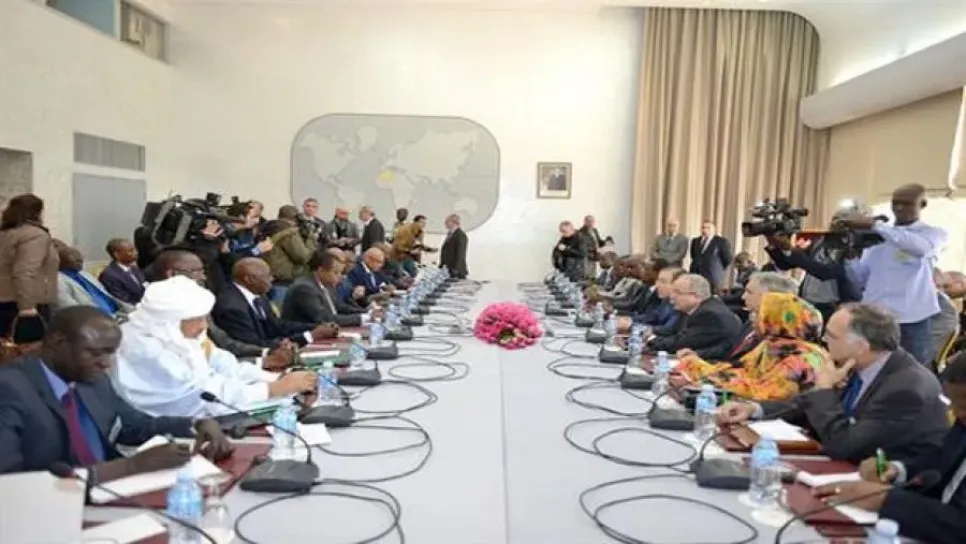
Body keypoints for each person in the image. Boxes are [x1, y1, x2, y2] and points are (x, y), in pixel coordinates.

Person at [0, 306, 233, 478]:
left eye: (111, 352)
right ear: (58, 343)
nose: (106, 363)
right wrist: (129, 466)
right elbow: (10, 484)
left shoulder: (90, 377)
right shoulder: (9, 388)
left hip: (115, 492)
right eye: (95, 353)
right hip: (52, 509)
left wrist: (195, 424)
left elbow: (132, 425)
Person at [717, 303, 949, 463]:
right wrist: (753, 409)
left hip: (883, 481)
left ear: (861, 346)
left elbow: (844, 446)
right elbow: (805, 405)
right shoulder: (862, 363)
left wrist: (825, 390)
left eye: (832, 336)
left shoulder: (904, 388)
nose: (824, 341)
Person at [816, 352, 966, 544]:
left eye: (964, 406)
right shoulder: (963, 422)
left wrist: (885, 500)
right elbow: (940, 458)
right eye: (954, 404)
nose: (957, 413)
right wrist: (897, 470)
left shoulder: (906, 383)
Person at [112, 277, 316, 418]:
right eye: (198, 319)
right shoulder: (146, 350)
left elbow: (224, 365)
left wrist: (274, 378)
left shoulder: (178, 334)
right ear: (170, 321)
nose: (204, 326)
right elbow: (205, 397)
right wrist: (272, 390)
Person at [842, 184, 947, 364]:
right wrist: (850, 258)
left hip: (910, 321)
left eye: (907, 203)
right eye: (895, 203)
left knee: (913, 372)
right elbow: (860, 279)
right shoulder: (879, 238)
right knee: (869, 368)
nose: (899, 208)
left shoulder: (933, 234)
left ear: (922, 204)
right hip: (875, 319)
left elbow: (920, 248)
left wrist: (875, 225)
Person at [144, 249, 293, 368]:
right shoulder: (152, 319)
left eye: (203, 271)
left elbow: (222, 346)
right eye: (196, 271)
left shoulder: (196, 302)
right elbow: (200, 368)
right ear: (172, 274)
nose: (203, 277)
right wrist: (263, 362)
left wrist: (266, 352)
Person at [676, 292, 827, 401]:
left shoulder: (803, 358)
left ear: (776, 319)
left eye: (759, 313)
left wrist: (701, 376)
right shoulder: (771, 346)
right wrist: (693, 365)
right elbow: (737, 372)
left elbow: (762, 393)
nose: (753, 318)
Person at [212, 258, 338, 349]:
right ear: (249, 279)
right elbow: (253, 344)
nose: (272, 279)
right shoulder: (232, 307)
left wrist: (316, 327)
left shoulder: (258, 294)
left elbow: (277, 326)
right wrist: (309, 336)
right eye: (267, 276)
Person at [764, 213, 861, 322]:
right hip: (807, 302)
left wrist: (789, 248)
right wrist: (774, 244)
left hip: (830, 307)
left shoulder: (850, 249)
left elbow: (825, 272)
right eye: (835, 220)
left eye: (842, 222)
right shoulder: (819, 242)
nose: (836, 224)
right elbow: (786, 264)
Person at [0, 194, 59, 348]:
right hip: (27, 304)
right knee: (28, 353)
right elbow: (24, 271)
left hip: (5, 302)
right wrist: (27, 308)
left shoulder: (6, 233)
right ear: (38, 212)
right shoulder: (35, 235)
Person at [646, 274, 742, 360]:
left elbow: (680, 343)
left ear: (697, 297)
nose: (672, 296)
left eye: (678, 292)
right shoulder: (692, 309)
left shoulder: (709, 314)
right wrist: (650, 331)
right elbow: (672, 331)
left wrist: (650, 339)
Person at [282, 250, 371, 327]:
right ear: (321, 271)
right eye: (336, 273)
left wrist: (367, 312)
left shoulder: (327, 286)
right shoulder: (305, 288)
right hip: (301, 337)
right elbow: (324, 319)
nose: (340, 277)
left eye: (340, 273)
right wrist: (361, 318)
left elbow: (341, 307)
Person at [54, 243, 132, 319]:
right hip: (96, 320)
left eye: (81, 259)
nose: (81, 261)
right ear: (59, 260)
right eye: (76, 260)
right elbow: (72, 310)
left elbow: (105, 296)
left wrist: (131, 310)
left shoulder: (84, 274)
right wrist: (111, 319)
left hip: (119, 313)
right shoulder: (57, 281)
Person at [261, 205, 319, 305]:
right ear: (295, 218)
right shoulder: (288, 232)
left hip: (271, 276)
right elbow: (302, 257)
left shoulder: (269, 228)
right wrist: (310, 238)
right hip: (284, 281)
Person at [617, 265, 683, 333]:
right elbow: (650, 317)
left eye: (663, 282)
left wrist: (632, 325)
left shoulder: (681, 306)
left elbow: (668, 329)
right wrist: (629, 319)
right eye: (658, 280)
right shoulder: (666, 301)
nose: (657, 285)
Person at [98, 238, 146, 305]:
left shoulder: (134, 268)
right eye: (130, 251)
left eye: (135, 250)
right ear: (116, 254)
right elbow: (124, 301)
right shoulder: (109, 275)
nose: (136, 253)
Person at [689, 220, 733, 291]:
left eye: (708, 228)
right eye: (703, 227)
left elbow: (727, 259)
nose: (705, 230)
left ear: (714, 229)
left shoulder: (721, 241)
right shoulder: (695, 241)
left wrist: (716, 267)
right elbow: (693, 256)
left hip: (712, 275)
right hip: (696, 273)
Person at [439, 213, 469, 279]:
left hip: (456, 272)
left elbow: (461, 253)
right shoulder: (450, 234)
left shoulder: (460, 235)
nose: (445, 223)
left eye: (447, 221)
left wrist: (456, 269)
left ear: (454, 222)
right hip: (448, 270)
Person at [578, 215, 606, 280]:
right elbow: (583, 246)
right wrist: (595, 249)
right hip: (587, 257)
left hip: (595, 256)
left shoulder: (594, 230)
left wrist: (605, 242)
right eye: (588, 221)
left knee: (594, 276)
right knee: (588, 276)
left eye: (592, 221)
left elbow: (598, 242)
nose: (590, 223)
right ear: (585, 222)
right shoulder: (581, 232)